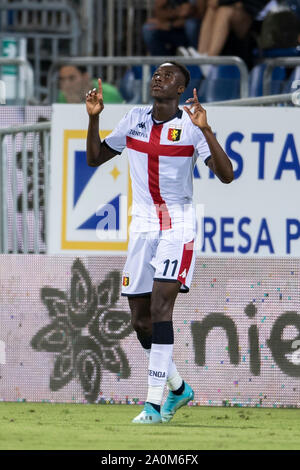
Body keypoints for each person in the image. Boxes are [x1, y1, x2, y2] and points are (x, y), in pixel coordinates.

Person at [85, 61, 234, 423]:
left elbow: (227, 175)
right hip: (143, 225)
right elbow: (94, 158)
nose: (158, 78)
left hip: (177, 224)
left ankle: (153, 406)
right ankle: (180, 389)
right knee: (140, 321)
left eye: (168, 76)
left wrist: (207, 129)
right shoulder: (134, 118)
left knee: (160, 308)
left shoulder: (190, 126)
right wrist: (93, 118)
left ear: (181, 89)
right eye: (156, 74)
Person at [57, 65, 123, 104]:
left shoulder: (109, 93)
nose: (66, 84)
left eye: (72, 78)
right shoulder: (62, 95)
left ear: (85, 77)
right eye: (62, 79)